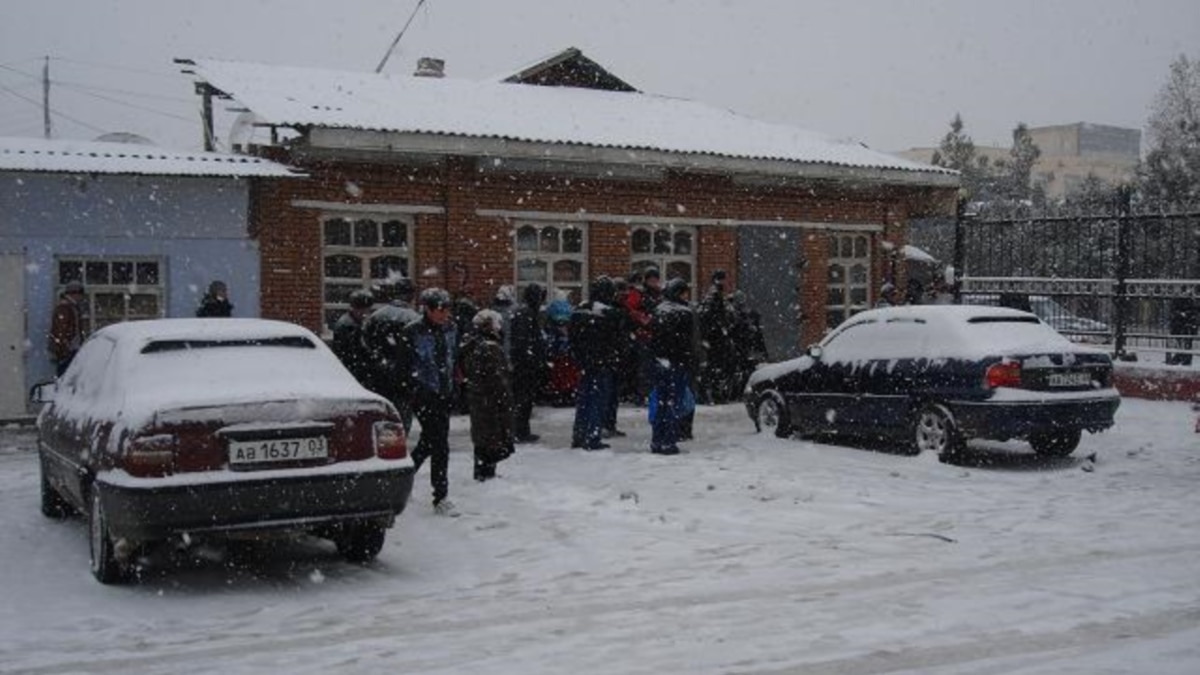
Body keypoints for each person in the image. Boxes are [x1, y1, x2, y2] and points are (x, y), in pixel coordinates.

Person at [398, 287, 460, 515]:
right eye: (439, 310)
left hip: (444, 393)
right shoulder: (413, 331)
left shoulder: (451, 329)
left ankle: (404, 475)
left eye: (446, 310)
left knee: (430, 442)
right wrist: (413, 390)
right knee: (440, 444)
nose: (444, 315)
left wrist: (455, 387)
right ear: (428, 309)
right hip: (424, 395)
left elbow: (454, 360)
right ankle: (440, 496)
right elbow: (404, 367)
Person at [460, 309, 516, 481]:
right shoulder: (490, 348)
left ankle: (482, 471)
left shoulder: (473, 345)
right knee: (492, 439)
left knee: (483, 439)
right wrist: (506, 399)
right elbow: (498, 379)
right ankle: (486, 473)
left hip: (480, 399)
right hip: (490, 401)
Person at [569, 276, 622, 450]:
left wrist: (579, 357)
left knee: (584, 400)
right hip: (601, 363)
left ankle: (579, 435)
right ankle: (592, 437)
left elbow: (573, 337)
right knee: (597, 401)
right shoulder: (607, 313)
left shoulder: (580, 310)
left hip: (585, 363)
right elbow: (614, 338)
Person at [362, 277, 421, 432]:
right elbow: (419, 350)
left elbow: (366, 342)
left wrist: (378, 360)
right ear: (411, 296)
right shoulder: (414, 319)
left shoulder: (377, 316)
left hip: (379, 374)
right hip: (404, 376)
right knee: (401, 417)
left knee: (381, 414)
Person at [649, 278, 697, 455]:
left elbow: (653, 339)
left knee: (661, 402)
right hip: (677, 363)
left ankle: (657, 440)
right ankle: (669, 441)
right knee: (674, 403)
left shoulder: (658, 310)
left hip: (660, 362)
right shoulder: (684, 313)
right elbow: (686, 343)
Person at [509, 283, 548, 443]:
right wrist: (531, 358)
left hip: (526, 363)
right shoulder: (526, 315)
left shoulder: (527, 313)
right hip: (524, 365)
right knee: (523, 399)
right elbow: (523, 342)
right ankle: (519, 430)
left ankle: (521, 430)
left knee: (524, 399)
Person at [699, 269, 736, 404]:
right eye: (725, 279)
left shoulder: (715, 294)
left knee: (715, 367)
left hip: (716, 337)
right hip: (716, 338)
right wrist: (720, 329)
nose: (727, 282)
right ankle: (712, 395)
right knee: (715, 367)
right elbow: (709, 316)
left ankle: (714, 394)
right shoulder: (714, 295)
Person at [332, 289, 376, 389]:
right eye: (363, 310)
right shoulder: (349, 326)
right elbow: (355, 351)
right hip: (352, 372)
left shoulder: (352, 322)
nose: (365, 313)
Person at [729, 290, 768, 400]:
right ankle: (740, 392)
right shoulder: (740, 315)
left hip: (742, 347)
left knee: (744, 370)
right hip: (741, 347)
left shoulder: (743, 314)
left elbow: (754, 334)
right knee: (744, 370)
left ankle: (739, 393)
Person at [48, 280, 87, 376]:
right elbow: (61, 330)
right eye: (80, 294)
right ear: (74, 294)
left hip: (69, 350)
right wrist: (66, 347)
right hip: (68, 352)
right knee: (66, 376)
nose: (81, 297)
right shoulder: (65, 308)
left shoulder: (71, 307)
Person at [1166, 297, 1199, 366]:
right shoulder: (1179, 299)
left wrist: (1186, 315)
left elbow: (1196, 311)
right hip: (1180, 323)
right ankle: (1181, 356)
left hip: (1187, 323)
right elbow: (1173, 310)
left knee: (1187, 341)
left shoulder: (1192, 299)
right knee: (1181, 341)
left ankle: (1184, 358)